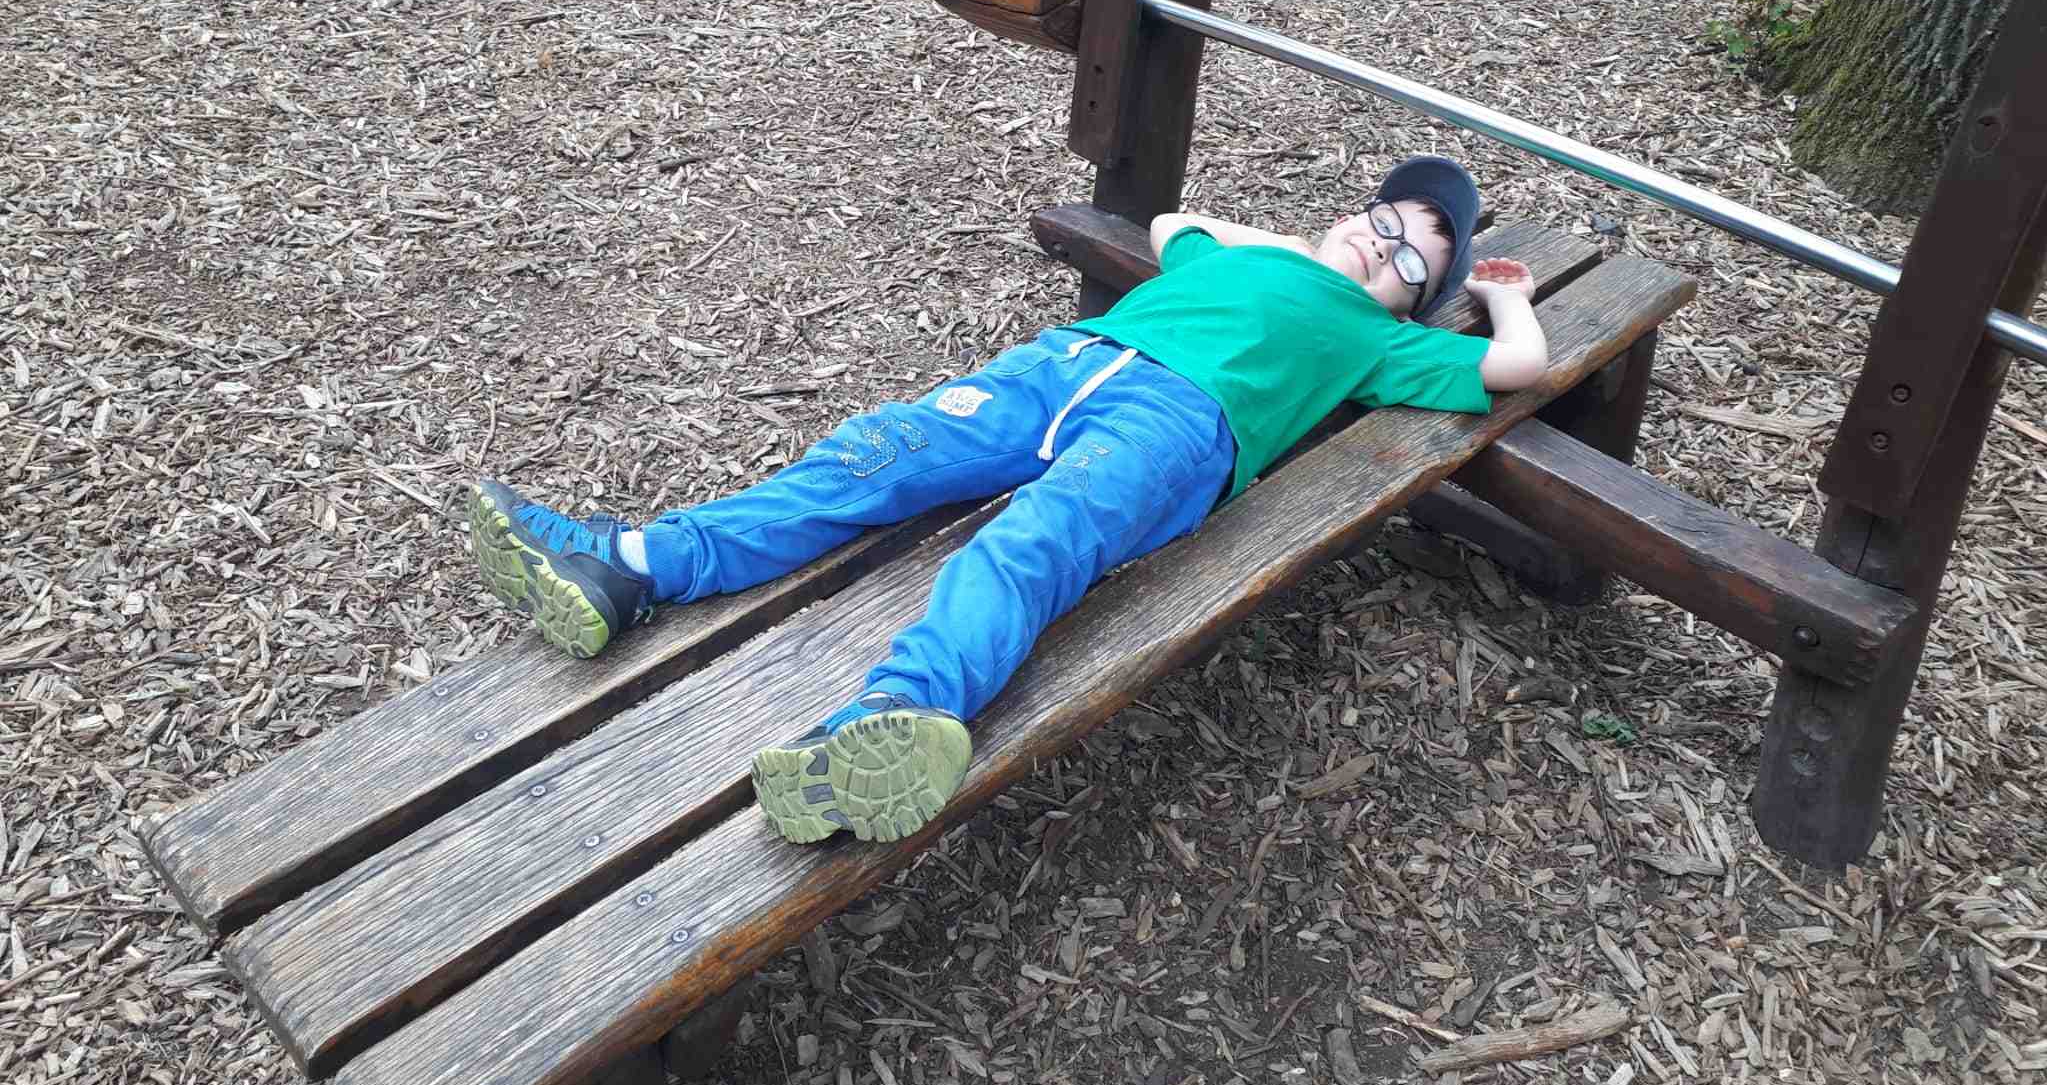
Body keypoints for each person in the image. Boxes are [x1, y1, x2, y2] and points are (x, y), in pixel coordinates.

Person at [465, 156, 1548, 845]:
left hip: (1174, 428)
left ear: (1413, 305)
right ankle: (627, 568)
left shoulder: (1375, 340)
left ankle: (889, 725)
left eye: (1408, 260)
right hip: (1056, 366)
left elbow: (1515, 371)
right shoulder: (1250, 258)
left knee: (1028, 545)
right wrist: (1312, 249)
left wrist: (1504, 301)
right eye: (1381, 218)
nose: (1381, 246)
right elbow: (1175, 221)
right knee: (868, 458)